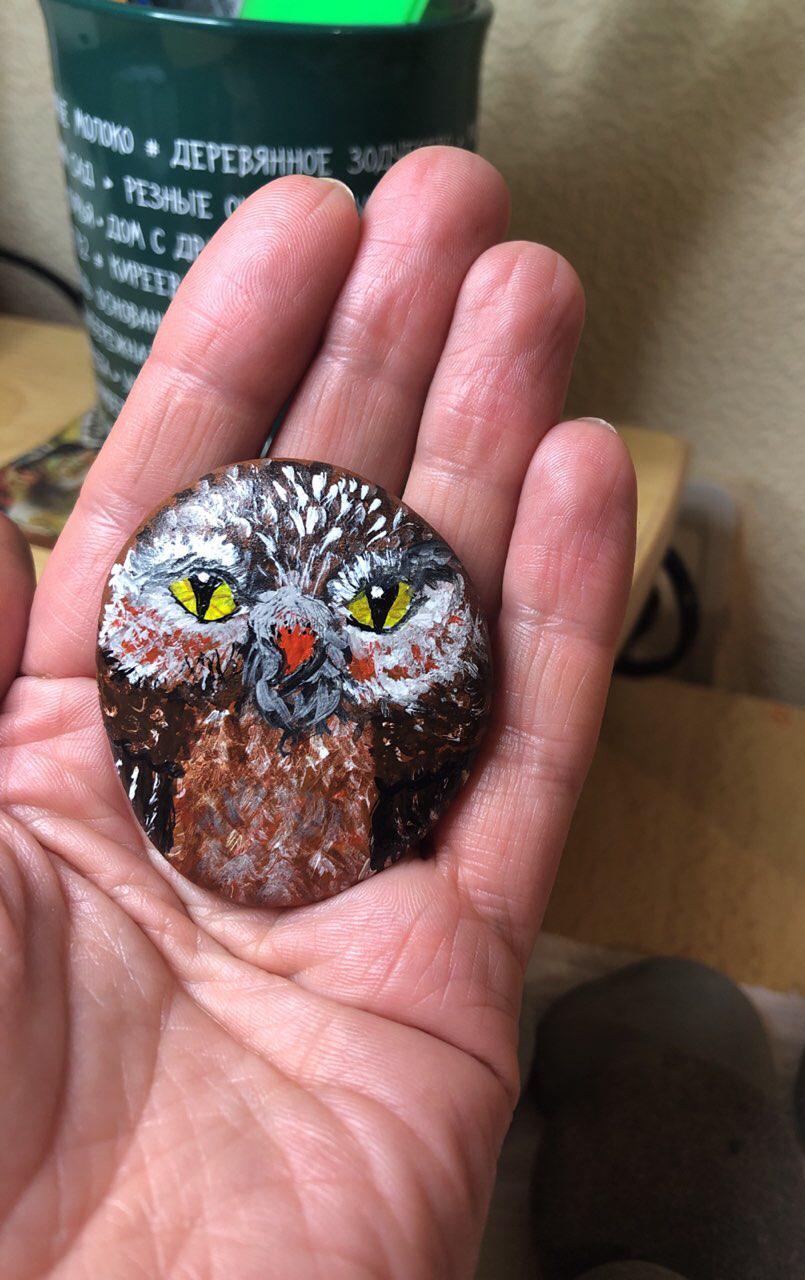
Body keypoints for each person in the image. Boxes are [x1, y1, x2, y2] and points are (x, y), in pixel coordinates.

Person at [0, 147, 636, 1278]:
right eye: (213, 598)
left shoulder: (385, 745)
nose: (294, 646)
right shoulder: (162, 745)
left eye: (370, 608)